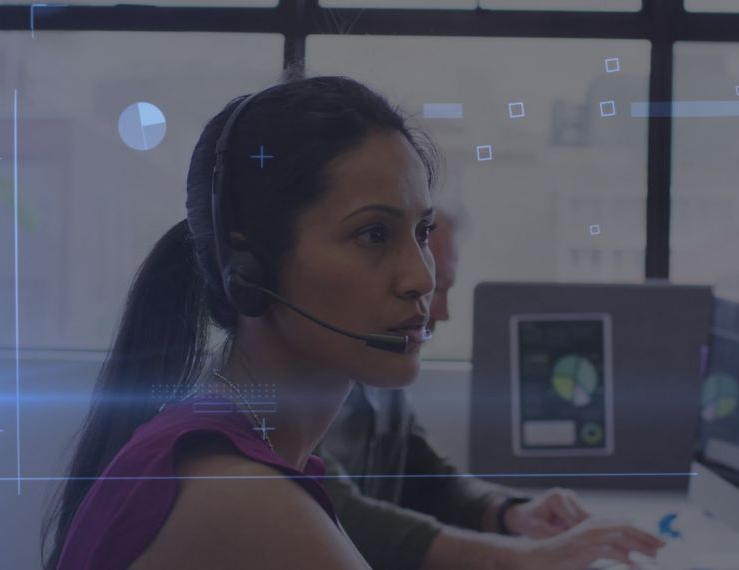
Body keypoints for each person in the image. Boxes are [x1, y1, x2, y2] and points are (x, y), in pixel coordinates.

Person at [42, 74, 662, 570]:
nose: (420, 276)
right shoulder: (242, 495)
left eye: (421, 233)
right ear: (249, 267)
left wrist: (510, 521)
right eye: (372, 234)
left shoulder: (248, 448)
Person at [320, 211, 665, 569]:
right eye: (436, 289)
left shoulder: (379, 368)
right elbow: (338, 512)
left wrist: (507, 512)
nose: (441, 312)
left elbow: (423, 473)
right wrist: (523, 557)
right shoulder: (284, 399)